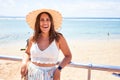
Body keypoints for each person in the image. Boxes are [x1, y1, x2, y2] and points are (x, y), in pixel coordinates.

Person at [21, 9, 72, 80]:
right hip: (31, 75)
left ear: (51, 22)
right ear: (38, 23)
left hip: (51, 76)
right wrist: (24, 63)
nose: (45, 22)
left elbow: (68, 56)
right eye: (42, 20)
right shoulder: (33, 38)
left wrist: (59, 69)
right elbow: (27, 52)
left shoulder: (58, 38)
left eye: (47, 19)